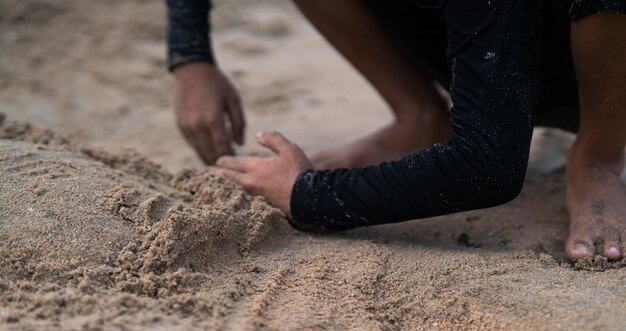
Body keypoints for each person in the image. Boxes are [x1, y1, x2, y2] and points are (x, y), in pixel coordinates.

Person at [166, 0, 626, 262]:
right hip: (479, 36)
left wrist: (305, 195)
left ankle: (597, 156)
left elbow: (487, 167)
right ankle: (417, 117)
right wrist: (191, 58)